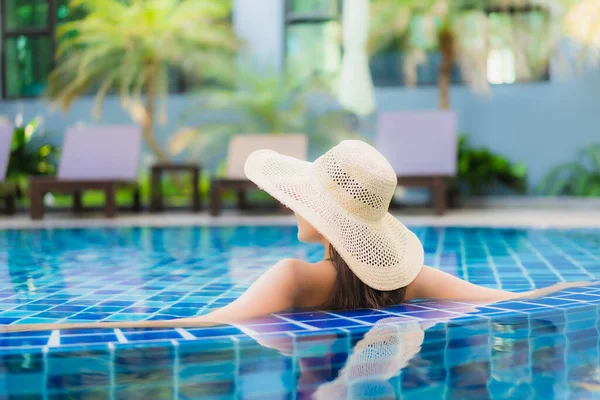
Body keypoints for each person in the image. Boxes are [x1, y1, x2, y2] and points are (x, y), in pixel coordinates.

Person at [0, 140, 593, 333]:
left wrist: (68, 324)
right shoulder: (409, 282)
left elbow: (199, 326)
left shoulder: (290, 278)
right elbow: (505, 300)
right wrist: (578, 282)